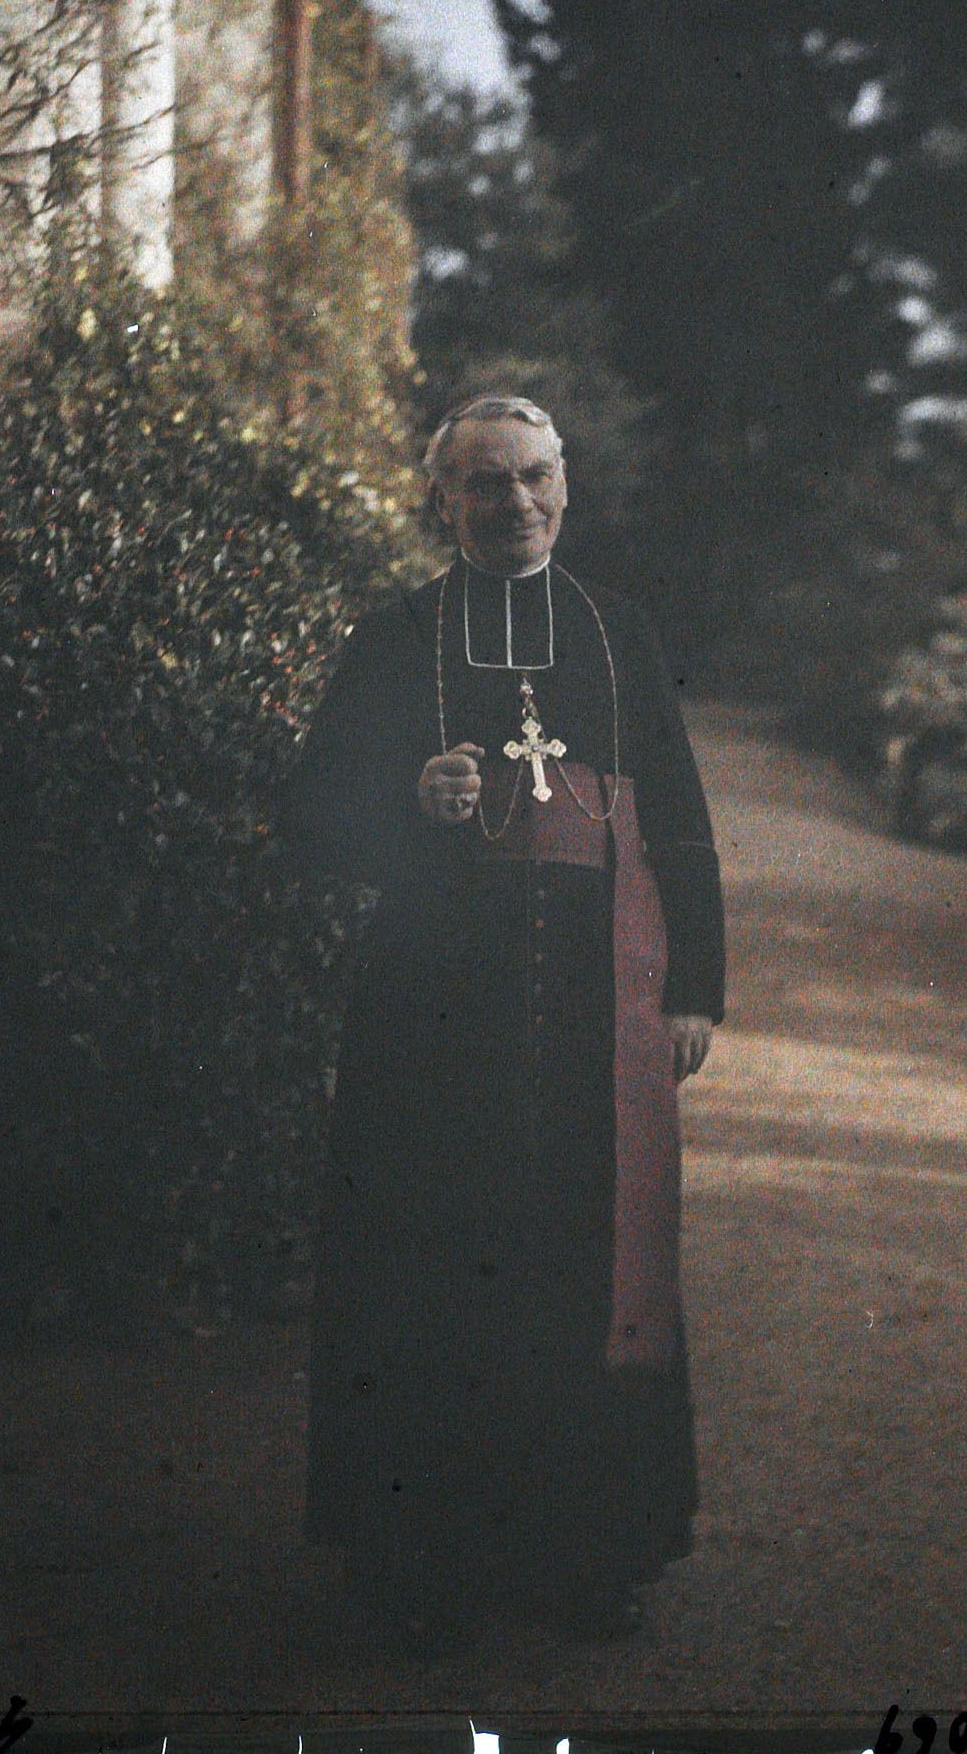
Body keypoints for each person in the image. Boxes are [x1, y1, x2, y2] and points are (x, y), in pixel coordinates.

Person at [279, 394, 725, 1653]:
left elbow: (678, 813)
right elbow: (306, 817)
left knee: (582, 1268)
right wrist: (402, 797)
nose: (513, 502)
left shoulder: (618, 632)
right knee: (423, 1278)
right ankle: (415, 1564)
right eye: (484, 482)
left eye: (532, 476)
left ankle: (588, 1559)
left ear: (565, 487)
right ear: (442, 500)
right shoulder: (395, 636)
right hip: (430, 1025)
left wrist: (694, 985)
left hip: (592, 1018)